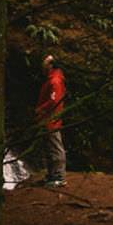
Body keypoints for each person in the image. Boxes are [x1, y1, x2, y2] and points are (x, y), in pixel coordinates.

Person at [34, 53, 66, 188]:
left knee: (55, 147)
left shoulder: (55, 81)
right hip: (47, 118)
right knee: (49, 146)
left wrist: (40, 109)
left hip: (51, 119)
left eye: (45, 63)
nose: (43, 65)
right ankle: (52, 174)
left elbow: (54, 101)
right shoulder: (52, 79)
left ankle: (59, 176)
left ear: (51, 65)